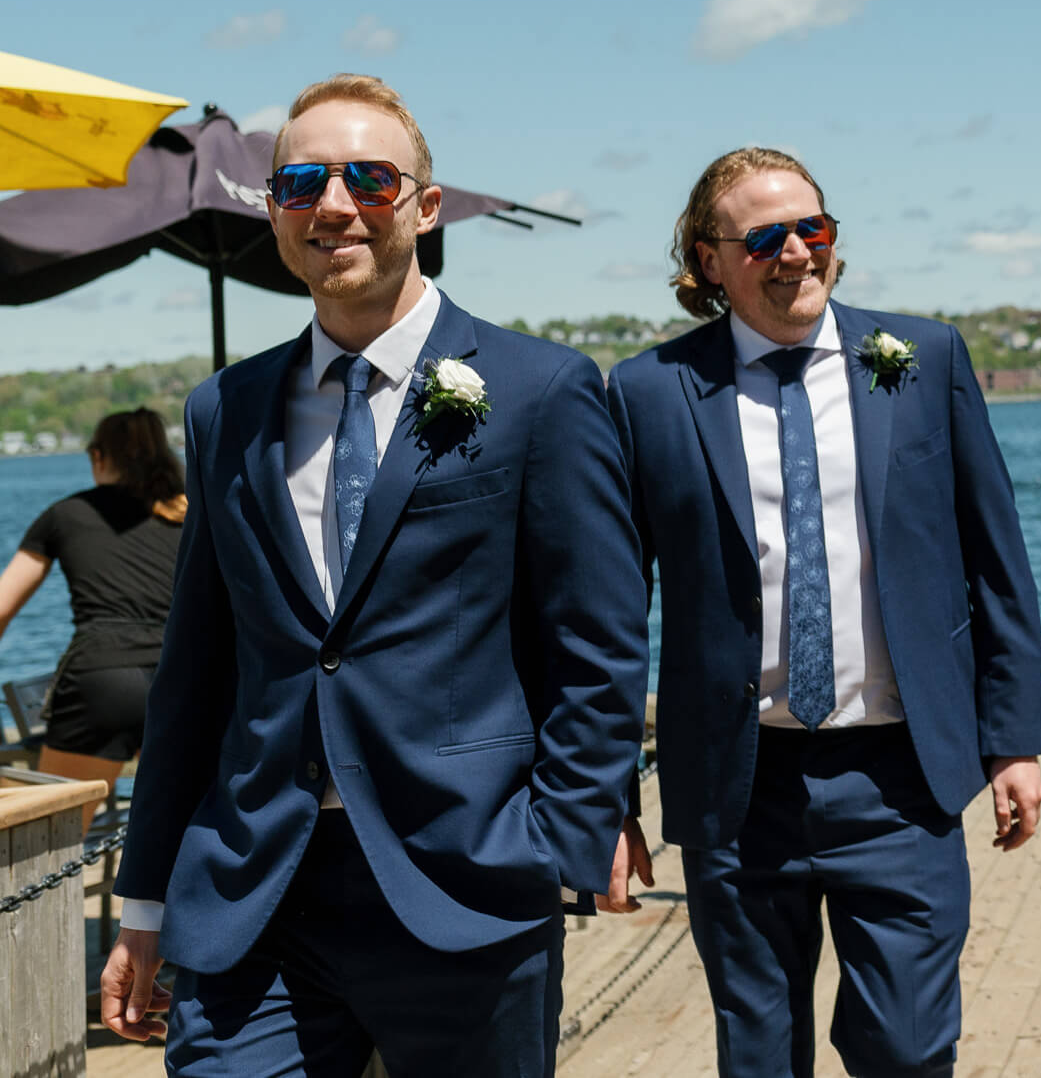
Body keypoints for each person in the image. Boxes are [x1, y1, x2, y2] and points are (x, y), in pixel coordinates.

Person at [98, 73, 653, 1078]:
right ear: (273, 208)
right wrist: (144, 902)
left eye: (370, 178)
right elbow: (197, 668)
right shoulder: (225, 409)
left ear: (425, 206)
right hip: (252, 893)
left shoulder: (542, 391)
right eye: (303, 180)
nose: (335, 204)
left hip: (466, 882)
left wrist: (561, 840)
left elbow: (599, 642)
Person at [608, 146, 1041, 1078]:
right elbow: (610, 610)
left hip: (901, 775)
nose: (798, 253)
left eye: (815, 229)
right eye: (766, 237)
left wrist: (1014, 739)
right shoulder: (649, 393)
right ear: (710, 259)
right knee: (760, 1056)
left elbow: (995, 557)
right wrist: (609, 796)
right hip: (737, 786)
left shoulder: (923, 358)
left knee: (909, 1047)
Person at [0, 407, 187, 820]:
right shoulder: (194, 513)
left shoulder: (66, 514)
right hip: (184, 677)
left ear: (99, 458)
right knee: (193, 833)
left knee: (51, 836)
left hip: (103, 681)